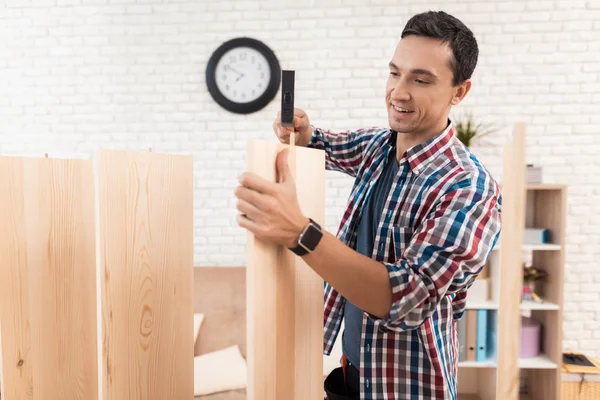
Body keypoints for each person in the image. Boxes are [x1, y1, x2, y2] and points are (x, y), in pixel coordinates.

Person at [234, 10, 502, 400]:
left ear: (459, 92)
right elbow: (326, 144)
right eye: (395, 73)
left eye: (421, 79)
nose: (399, 92)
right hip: (350, 376)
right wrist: (304, 132)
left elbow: (407, 297)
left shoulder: (469, 187)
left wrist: (300, 233)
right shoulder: (379, 147)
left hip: (408, 389)